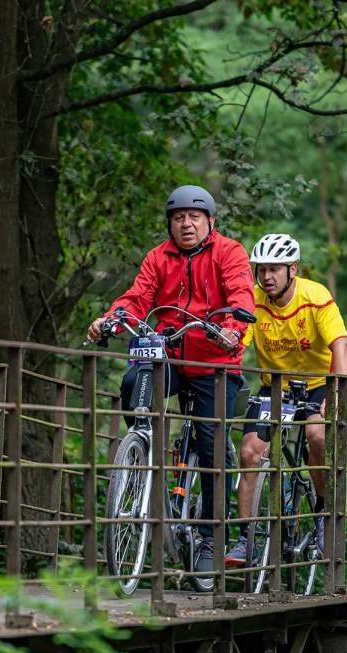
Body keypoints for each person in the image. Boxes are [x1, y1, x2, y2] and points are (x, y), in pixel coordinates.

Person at [87, 185, 255, 583]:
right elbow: (137, 298)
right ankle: (142, 452)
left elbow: (241, 297)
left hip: (215, 362)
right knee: (133, 382)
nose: (186, 224)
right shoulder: (158, 257)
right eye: (179, 217)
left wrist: (232, 329)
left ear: (210, 221)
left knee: (211, 444)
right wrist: (111, 319)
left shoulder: (229, 253)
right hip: (171, 355)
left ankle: (211, 537)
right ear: (170, 223)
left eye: (194, 217)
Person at [227, 233, 347, 566]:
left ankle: (323, 511)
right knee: (250, 452)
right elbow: (237, 343)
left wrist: (336, 396)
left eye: (274, 270)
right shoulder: (253, 300)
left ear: (292, 270)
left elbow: (341, 346)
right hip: (276, 389)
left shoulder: (315, 296)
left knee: (317, 436)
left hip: (318, 384)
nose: (266, 277)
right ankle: (246, 538)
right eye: (262, 270)